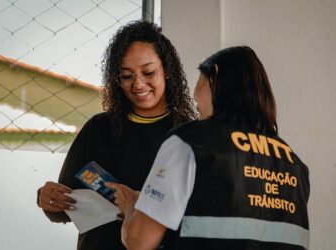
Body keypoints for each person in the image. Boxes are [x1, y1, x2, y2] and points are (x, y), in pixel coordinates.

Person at [110, 46, 310, 250]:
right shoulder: (293, 163)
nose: (196, 101)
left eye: (199, 81)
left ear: (213, 76)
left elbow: (138, 242)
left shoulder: (191, 141)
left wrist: (132, 207)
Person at [36, 21, 195, 250]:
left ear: (167, 71)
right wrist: (47, 199)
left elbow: (199, 222)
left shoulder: (190, 137)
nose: (138, 84)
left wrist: (140, 207)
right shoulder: (97, 129)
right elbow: (63, 210)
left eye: (148, 72)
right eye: (127, 76)